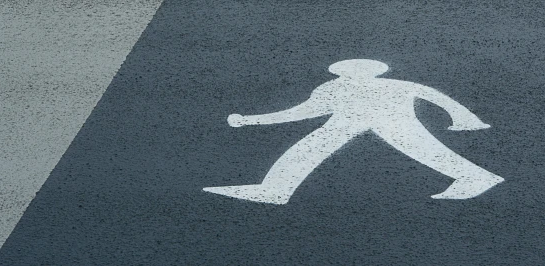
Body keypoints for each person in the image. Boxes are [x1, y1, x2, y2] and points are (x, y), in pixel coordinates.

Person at [204, 59, 503, 204]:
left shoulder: (378, 87)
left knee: (423, 149)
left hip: (387, 121)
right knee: (307, 148)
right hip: (349, 123)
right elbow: (302, 112)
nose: (351, 74)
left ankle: (477, 177)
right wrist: (251, 120)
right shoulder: (334, 88)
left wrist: (465, 118)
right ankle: (274, 190)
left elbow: (435, 96)